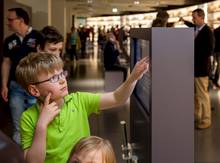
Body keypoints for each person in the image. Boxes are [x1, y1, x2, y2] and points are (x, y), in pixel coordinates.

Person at [15, 52, 148, 163]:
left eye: (62, 74)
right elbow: (33, 161)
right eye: (54, 78)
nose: (62, 80)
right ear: (34, 90)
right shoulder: (28, 118)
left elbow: (117, 98)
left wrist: (133, 78)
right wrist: (41, 126)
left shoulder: (79, 100)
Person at [1, 8, 41, 144]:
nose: (8, 22)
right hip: (15, 87)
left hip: (34, 88)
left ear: (21, 20)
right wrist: (4, 85)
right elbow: (6, 63)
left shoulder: (38, 37)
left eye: (10, 19)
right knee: (18, 127)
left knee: (36, 125)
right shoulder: (9, 41)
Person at [180, 8, 214, 129]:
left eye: (195, 17)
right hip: (193, 67)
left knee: (202, 95)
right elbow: (190, 25)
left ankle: (206, 120)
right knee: (195, 95)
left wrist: (193, 52)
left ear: (201, 17)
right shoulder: (196, 28)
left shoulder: (207, 31)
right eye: (192, 17)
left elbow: (209, 50)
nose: (193, 19)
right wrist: (184, 21)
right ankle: (197, 116)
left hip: (201, 69)